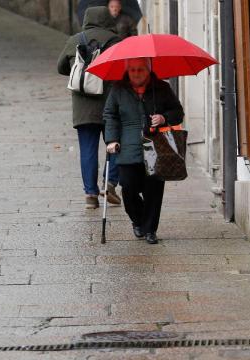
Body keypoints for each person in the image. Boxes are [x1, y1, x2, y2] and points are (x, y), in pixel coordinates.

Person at [103, 58, 184, 244]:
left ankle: (150, 230)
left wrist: (164, 118)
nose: (136, 73)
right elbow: (110, 115)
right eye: (132, 70)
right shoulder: (118, 89)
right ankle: (138, 220)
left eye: (140, 69)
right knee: (128, 188)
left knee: (154, 190)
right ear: (127, 71)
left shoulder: (161, 88)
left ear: (148, 70)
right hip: (128, 146)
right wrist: (112, 139)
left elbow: (178, 112)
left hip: (156, 147)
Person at [57, 6, 122, 209]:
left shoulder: (74, 40)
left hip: (83, 106)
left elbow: (61, 67)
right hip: (112, 105)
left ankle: (90, 195)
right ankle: (110, 183)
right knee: (116, 144)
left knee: (87, 149)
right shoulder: (117, 42)